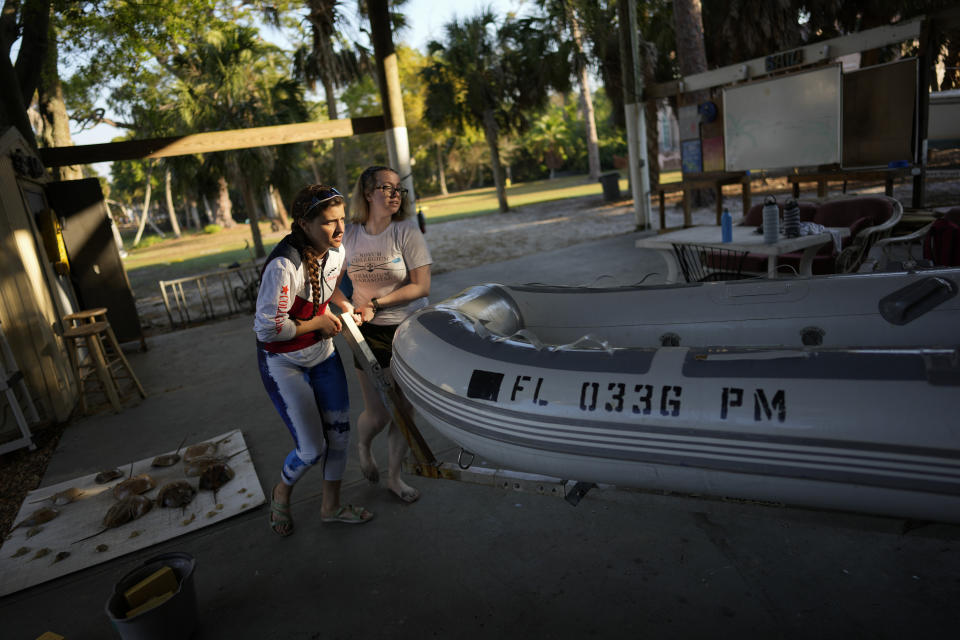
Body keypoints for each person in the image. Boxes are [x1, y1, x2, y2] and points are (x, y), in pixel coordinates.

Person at [254, 184, 374, 536]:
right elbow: (267, 330)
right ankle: (282, 492)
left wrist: (344, 305)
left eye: (341, 220)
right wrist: (318, 322)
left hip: (323, 356)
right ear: (303, 224)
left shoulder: (336, 249)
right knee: (311, 450)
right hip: (284, 364)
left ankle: (330, 507)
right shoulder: (282, 265)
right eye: (327, 222)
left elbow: (326, 281)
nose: (339, 230)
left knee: (339, 437)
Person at [343, 165, 432, 504]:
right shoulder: (350, 235)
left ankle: (395, 478)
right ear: (367, 194)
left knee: (405, 410)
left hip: (410, 327)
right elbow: (331, 286)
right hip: (368, 332)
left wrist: (376, 303)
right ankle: (364, 446)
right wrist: (347, 307)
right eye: (386, 187)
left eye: (399, 189)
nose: (395, 194)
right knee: (378, 414)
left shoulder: (406, 231)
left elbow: (421, 286)